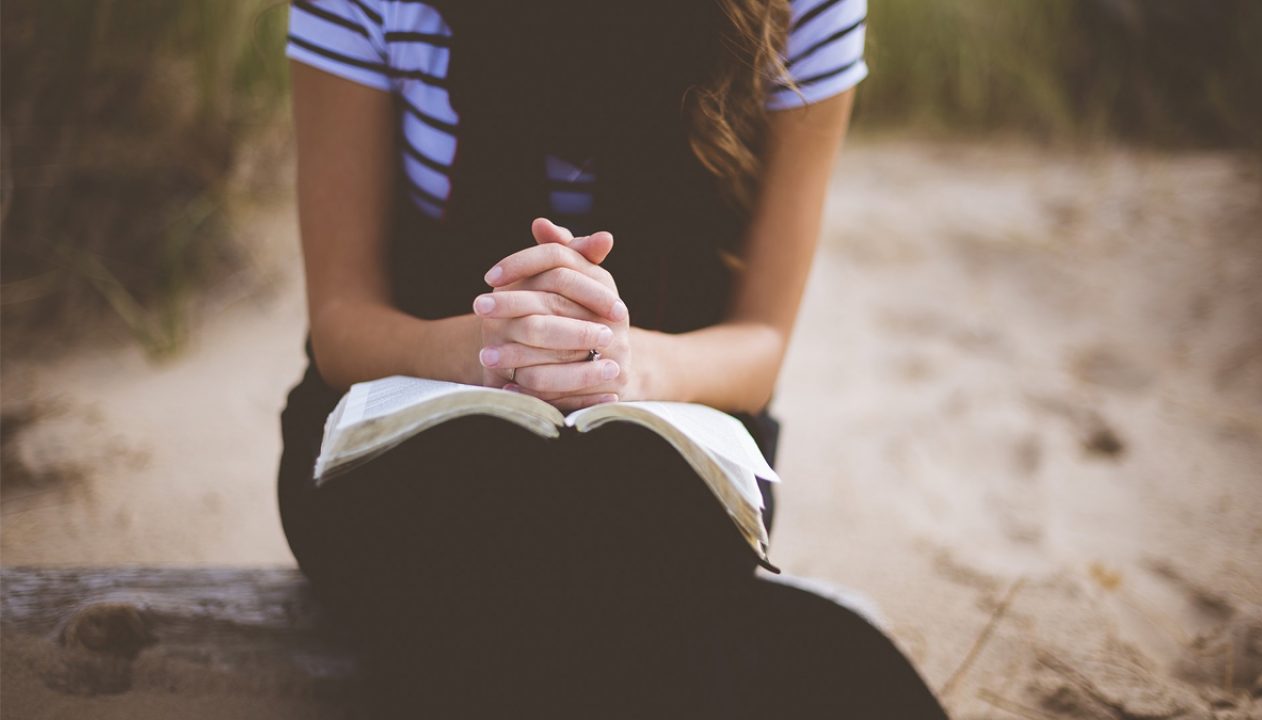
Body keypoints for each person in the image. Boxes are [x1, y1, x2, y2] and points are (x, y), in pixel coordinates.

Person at [277, 0, 949, 716]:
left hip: (671, 442)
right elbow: (341, 322)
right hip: (407, 428)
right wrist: (492, 349)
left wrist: (619, 366)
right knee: (489, 547)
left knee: (614, 540)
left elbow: (761, 343)